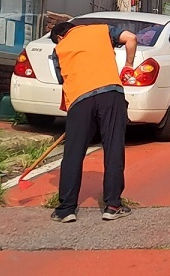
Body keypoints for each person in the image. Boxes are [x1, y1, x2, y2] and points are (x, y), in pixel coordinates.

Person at [50, 21, 138, 223]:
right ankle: (113, 206)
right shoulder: (102, 30)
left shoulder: (59, 49)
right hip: (111, 93)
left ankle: (66, 210)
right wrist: (128, 65)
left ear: (60, 37)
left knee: (73, 153)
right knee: (113, 148)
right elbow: (131, 39)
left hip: (80, 99)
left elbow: (64, 80)